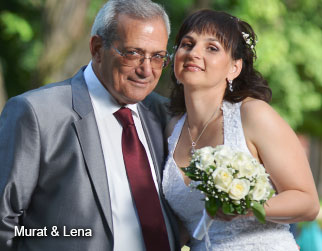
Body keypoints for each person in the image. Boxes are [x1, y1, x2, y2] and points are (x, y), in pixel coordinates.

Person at [0, 0, 180, 250]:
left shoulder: (165, 115)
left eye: (158, 56)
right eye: (133, 53)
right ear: (97, 48)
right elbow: (4, 220)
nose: (146, 70)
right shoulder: (36, 114)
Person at [162, 9, 319, 250]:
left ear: (234, 68)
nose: (193, 53)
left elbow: (308, 203)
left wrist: (245, 208)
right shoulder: (172, 129)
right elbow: (186, 225)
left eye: (211, 48)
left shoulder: (253, 115)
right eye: (187, 44)